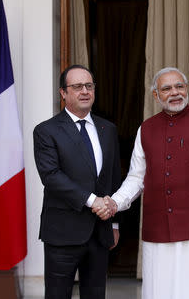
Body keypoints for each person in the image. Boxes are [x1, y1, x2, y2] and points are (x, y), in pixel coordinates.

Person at [95, 67, 189, 299]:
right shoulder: (145, 129)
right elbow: (137, 178)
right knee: (162, 288)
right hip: (158, 226)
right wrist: (115, 202)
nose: (175, 92)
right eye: (166, 88)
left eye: (179, 86)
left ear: (187, 89)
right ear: (156, 96)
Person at [33, 65, 121, 299]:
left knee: (95, 294)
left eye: (89, 86)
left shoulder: (108, 129)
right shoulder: (46, 131)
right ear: (63, 93)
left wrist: (114, 223)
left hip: (100, 232)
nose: (84, 91)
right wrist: (94, 202)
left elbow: (113, 178)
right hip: (63, 232)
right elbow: (51, 176)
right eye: (77, 86)